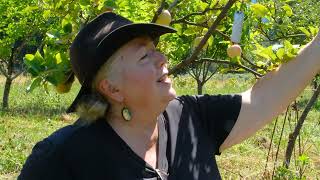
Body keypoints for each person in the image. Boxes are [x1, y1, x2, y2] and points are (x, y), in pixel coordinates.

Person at [18, 12, 320, 180]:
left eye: (155, 49)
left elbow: (266, 98)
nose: (162, 58)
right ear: (113, 89)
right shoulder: (61, 159)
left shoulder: (190, 118)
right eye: (143, 56)